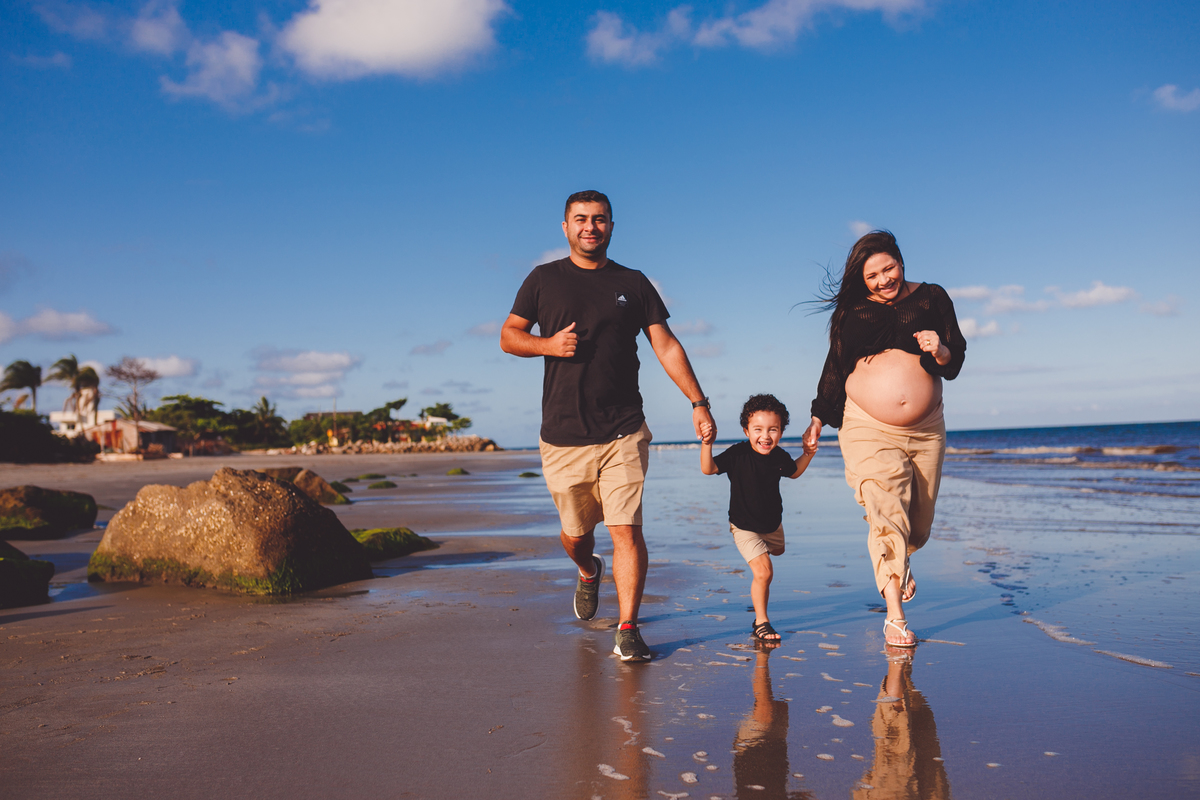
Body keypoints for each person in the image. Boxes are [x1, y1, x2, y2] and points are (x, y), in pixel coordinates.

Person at [500, 190, 716, 662]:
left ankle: (628, 627)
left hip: (624, 428)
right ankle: (586, 570)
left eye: (599, 220)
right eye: (581, 220)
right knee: (576, 535)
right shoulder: (543, 279)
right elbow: (508, 336)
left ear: (612, 226)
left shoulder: (634, 283)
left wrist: (698, 402)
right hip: (562, 432)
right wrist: (548, 346)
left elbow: (666, 345)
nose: (590, 227)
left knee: (626, 529)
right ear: (565, 227)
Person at [802, 230, 965, 648]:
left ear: (900, 261)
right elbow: (835, 367)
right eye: (872, 275)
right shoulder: (853, 313)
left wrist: (940, 349)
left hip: (927, 428)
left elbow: (955, 360)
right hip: (867, 425)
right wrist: (819, 419)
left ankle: (901, 557)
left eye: (888, 268)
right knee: (884, 506)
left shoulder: (932, 297)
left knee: (918, 526)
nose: (882, 280)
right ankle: (895, 617)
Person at [700, 394, 816, 643]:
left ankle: (769, 552)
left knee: (778, 552)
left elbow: (794, 473)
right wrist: (707, 443)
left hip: (773, 524)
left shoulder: (780, 457)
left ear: (781, 432)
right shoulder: (737, 454)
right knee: (764, 572)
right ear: (746, 430)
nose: (765, 436)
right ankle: (761, 622)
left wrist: (808, 453)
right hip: (743, 526)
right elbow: (708, 469)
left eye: (773, 430)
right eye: (758, 429)